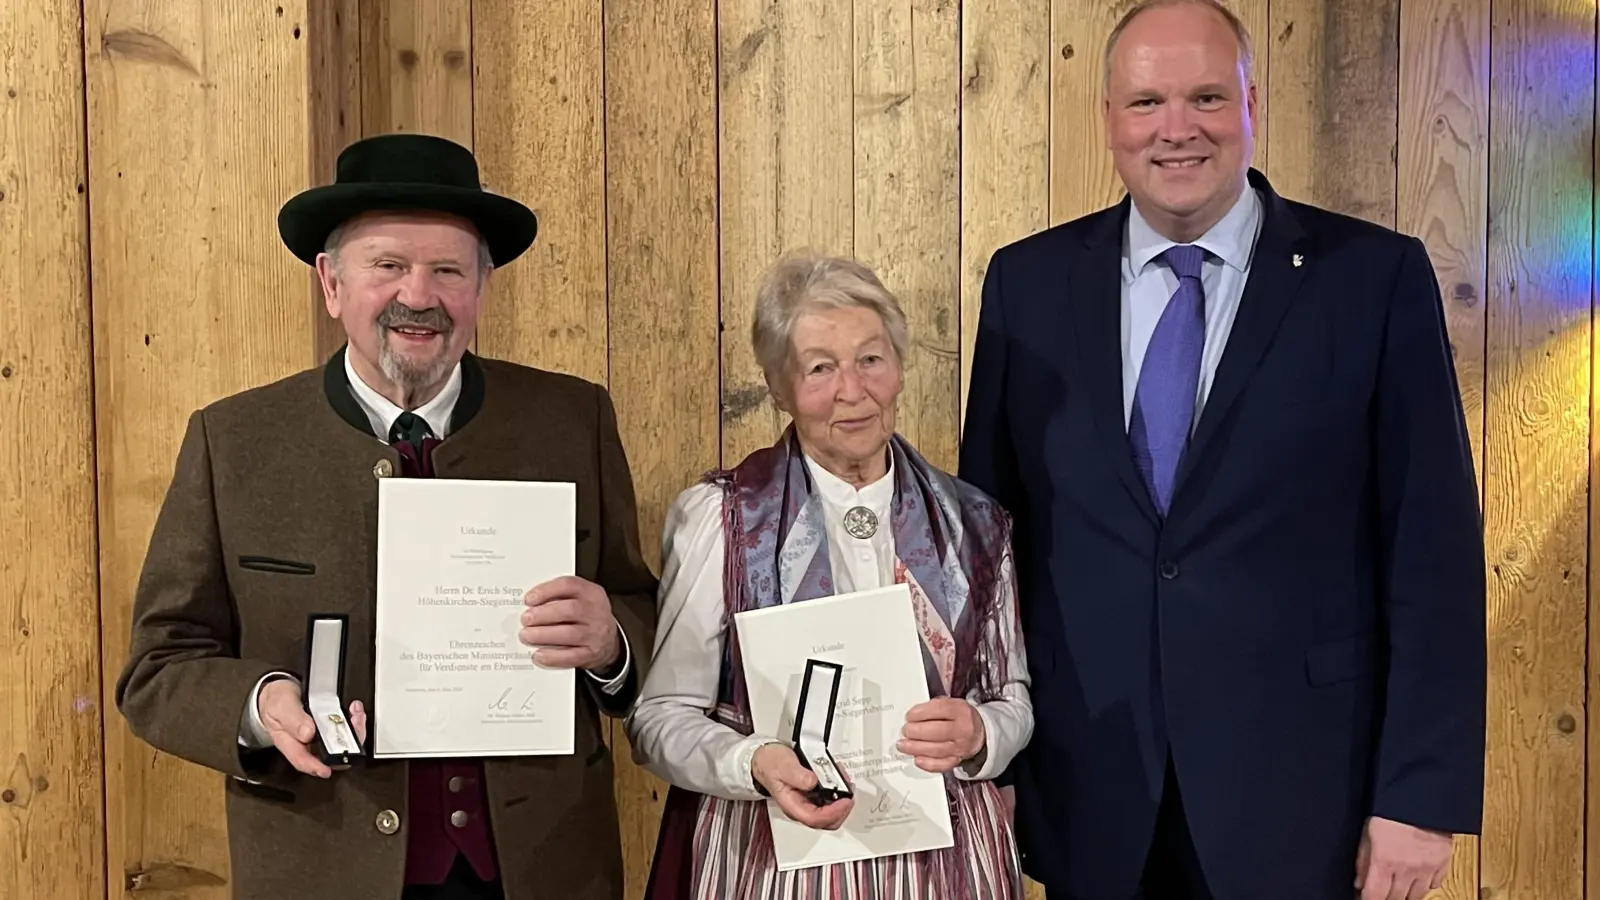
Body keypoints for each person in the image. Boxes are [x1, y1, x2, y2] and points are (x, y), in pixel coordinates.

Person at [958, 2, 1487, 899]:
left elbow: (1431, 553)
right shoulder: (1028, 283)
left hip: (1305, 799)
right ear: (1109, 119)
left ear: (1252, 106)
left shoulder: (1373, 280)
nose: (1176, 129)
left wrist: (1421, 795)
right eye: (1146, 102)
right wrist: (988, 769)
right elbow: (985, 544)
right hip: (1088, 793)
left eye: (1207, 97)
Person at [114, 133, 659, 900]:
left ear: (482, 286)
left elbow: (641, 606)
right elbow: (158, 668)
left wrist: (611, 641)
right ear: (332, 283)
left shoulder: (572, 419)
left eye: (447, 270)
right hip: (323, 865)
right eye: (389, 266)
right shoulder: (233, 441)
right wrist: (258, 703)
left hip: (547, 866)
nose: (419, 295)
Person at [625, 253, 1034, 899]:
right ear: (779, 387)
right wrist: (751, 762)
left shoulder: (976, 522)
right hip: (772, 860)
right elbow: (659, 719)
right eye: (820, 368)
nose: (851, 390)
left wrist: (982, 733)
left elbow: (1013, 697)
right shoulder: (723, 519)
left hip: (943, 860)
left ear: (899, 369)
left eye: (871, 359)